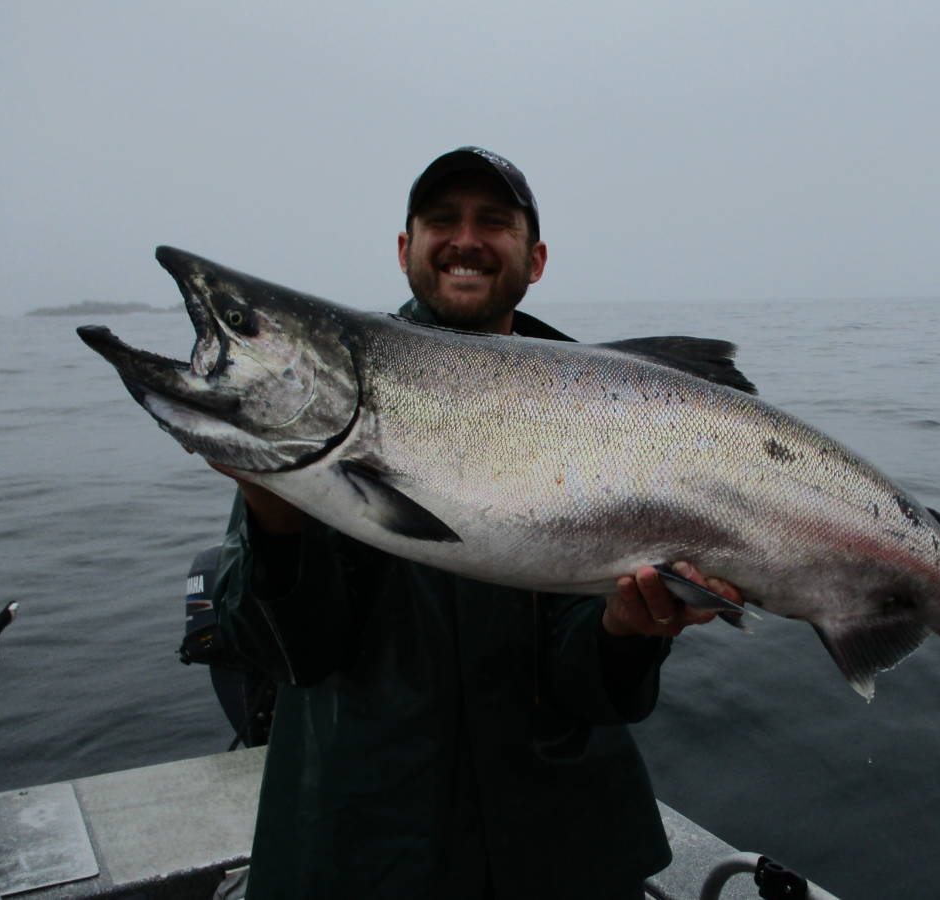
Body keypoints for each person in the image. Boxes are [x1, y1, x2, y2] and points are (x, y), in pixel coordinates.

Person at [211, 147, 742, 899]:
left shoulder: (611, 407)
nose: (466, 239)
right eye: (442, 220)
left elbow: (588, 688)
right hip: (363, 851)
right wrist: (274, 521)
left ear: (536, 258)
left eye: (494, 222)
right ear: (406, 248)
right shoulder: (329, 395)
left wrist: (625, 632)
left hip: (565, 854)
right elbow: (284, 652)